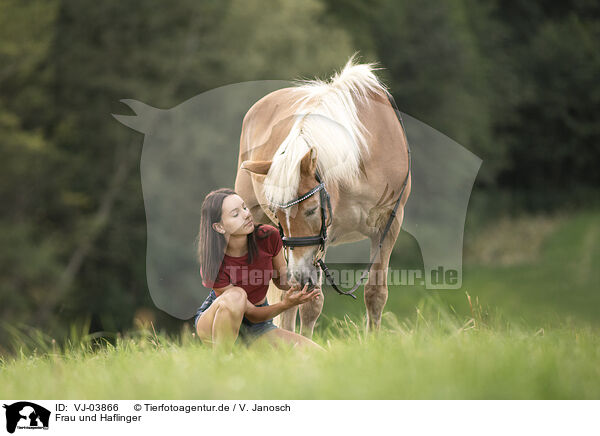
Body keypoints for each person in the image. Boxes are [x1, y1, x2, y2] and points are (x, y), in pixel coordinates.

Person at [194, 187, 323, 351]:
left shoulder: (268, 236)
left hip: (258, 328)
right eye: (235, 214)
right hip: (216, 323)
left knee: (319, 355)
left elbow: (282, 280)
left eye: (244, 208)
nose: (246, 214)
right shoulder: (213, 264)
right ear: (219, 227)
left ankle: (244, 351)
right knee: (236, 296)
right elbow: (251, 314)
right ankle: (221, 361)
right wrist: (285, 304)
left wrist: (302, 278)